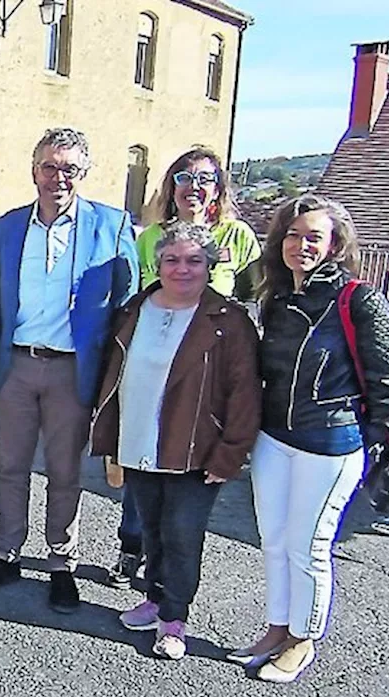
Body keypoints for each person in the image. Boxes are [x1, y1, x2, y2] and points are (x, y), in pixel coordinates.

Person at [229, 195, 389, 683]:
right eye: (292, 234)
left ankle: (303, 640)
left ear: (334, 244)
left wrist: (366, 443)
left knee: (309, 546)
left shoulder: (358, 299)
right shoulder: (279, 298)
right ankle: (277, 628)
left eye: (313, 236)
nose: (300, 245)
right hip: (275, 438)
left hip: (330, 443)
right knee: (274, 540)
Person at [0, 127, 138, 615]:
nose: (57, 177)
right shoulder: (7, 229)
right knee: (10, 466)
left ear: (82, 173)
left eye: (68, 169)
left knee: (65, 472)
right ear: (33, 170)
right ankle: (7, 552)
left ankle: (62, 563)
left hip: (72, 370)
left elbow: (126, 306)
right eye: (49, 166)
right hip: (16, 364)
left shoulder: (112, 226)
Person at [90, 222, 261, 660]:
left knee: (183, 535)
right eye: (172, 260)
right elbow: (112, 372)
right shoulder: (135, 309)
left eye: (193, 261)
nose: (182, 269)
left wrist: (230, 454)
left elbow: (245, 394)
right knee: (153, 530)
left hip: (196, 450)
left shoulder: (228, 320)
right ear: (158, 264)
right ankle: (153, 599)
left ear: (209, 265)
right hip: (138, 440)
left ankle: (174, 620)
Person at [108, 146, 263, 588]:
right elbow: (131, 298)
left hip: (207, 369)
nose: (193, 187)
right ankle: (131, 548)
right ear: (170, 184)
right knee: (141, 459)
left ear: (217, 188)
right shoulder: (147, 237)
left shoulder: (237, 237)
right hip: (152, 357)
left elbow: (254, 299)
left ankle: (171, 590)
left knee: (185, 481)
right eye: (184, 177)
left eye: (204, 179)